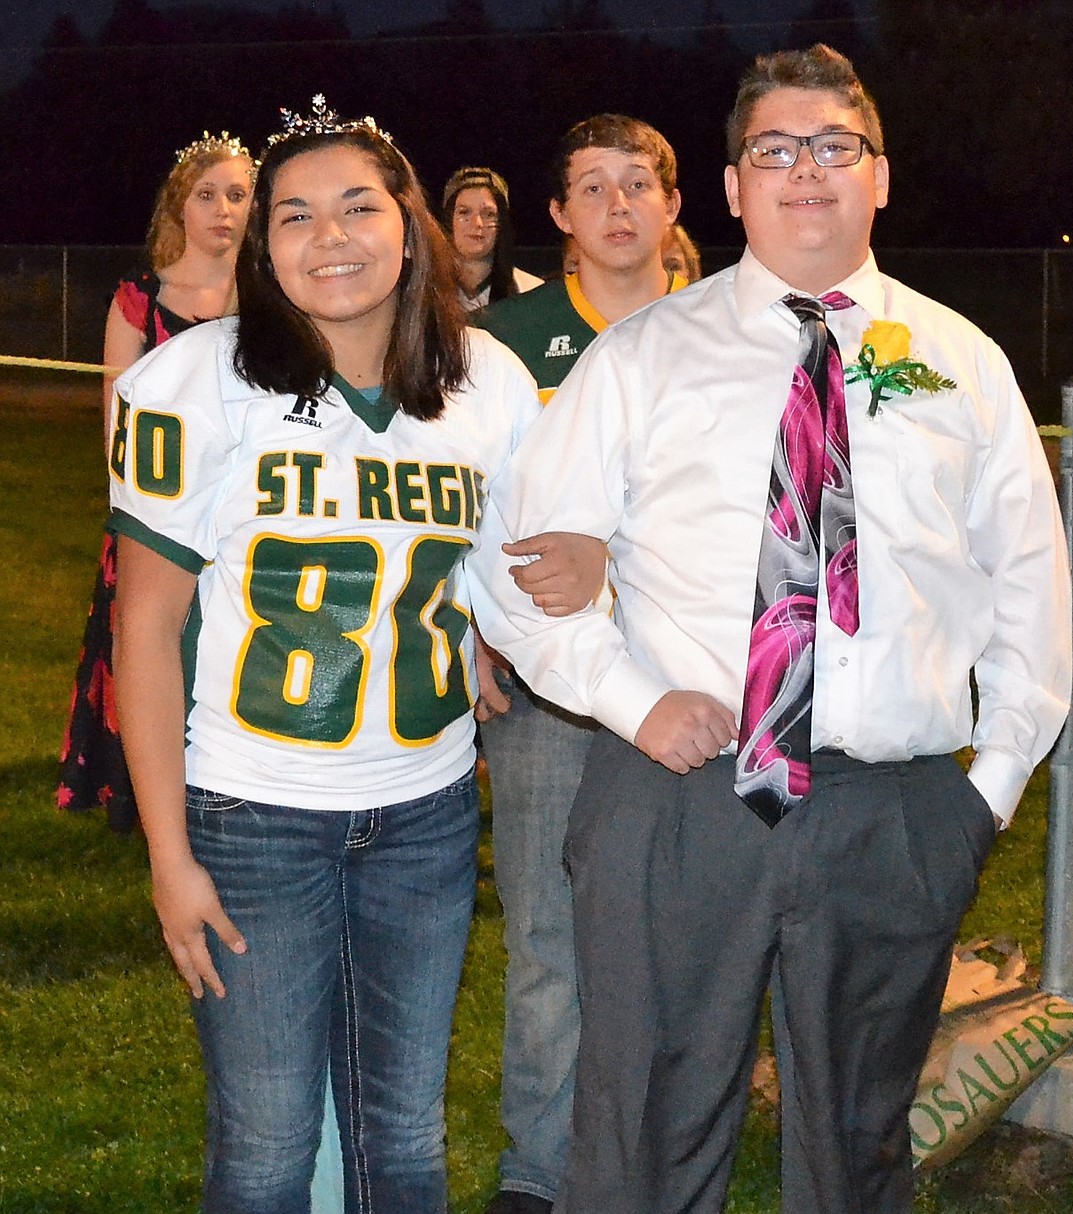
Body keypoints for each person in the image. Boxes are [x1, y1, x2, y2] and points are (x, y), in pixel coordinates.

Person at [468, 45, 1072, 1214]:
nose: (808, 170)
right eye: (775, 149)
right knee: (642, 1132)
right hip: (677, 800)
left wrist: (982, 793)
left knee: (857, 1147)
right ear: (735, 187)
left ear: (880, 176)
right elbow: (512, 568)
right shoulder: (642, 357)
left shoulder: (965, 365)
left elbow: (1029, 593)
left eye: (835, 146)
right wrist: (633, 700)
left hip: (890, 809)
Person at [109, 96, 539, 1213]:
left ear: (410, 224)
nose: (330, 236)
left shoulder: (488, 382)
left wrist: (488, 631)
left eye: (359, 206)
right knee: (263, 1146)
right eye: (294, 215)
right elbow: (145, 628)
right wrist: (168, 852)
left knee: (406, 1140)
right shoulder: (195, 381)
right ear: (261, 245)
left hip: (427, 809)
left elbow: (494, 568)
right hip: (252, 811)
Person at [473, 113, 685, 1214]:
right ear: (556, 215)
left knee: (679, 928)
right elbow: (466, 500)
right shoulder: (503, 340)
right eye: (591, 187)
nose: (616, 204)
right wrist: (473, 623)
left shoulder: (720, 330)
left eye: (636, 182)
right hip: (550, 689)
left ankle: (657, 1152)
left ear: (673, 205)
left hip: (688, 685)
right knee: (551, 935)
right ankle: (541, 1165)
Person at [57, 131, 252, 832]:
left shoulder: (271, 298)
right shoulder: (140, 300)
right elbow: (117, 423)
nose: (223, 210)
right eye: (207, 195)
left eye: (238, 194)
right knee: (155, 649)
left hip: (247, 517)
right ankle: (144, 790)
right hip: (163, 515)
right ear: (179, 206)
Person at [441, 166, 542, 310]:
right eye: (464, 212)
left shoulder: (531, 292)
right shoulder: (426, 290)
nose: (477, 223)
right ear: (448, 219)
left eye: (489, 214)